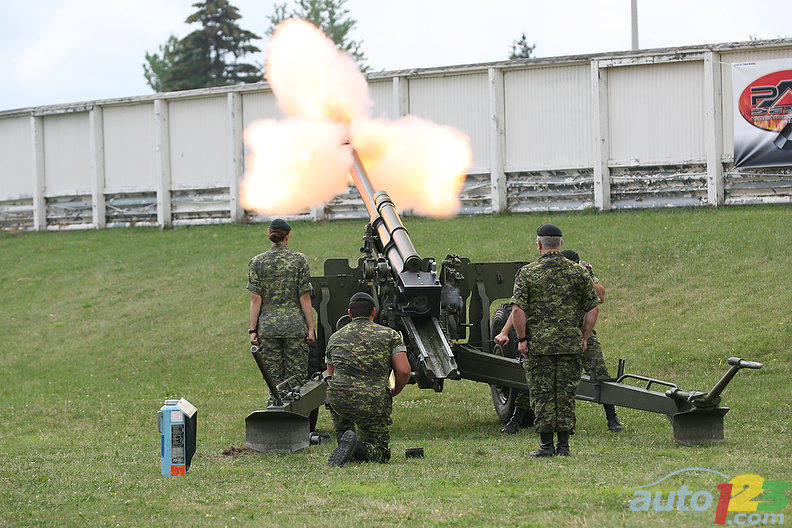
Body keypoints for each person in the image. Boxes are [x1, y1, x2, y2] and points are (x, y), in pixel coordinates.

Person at [510, 223, 599, 457]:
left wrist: (522, 339)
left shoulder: (527, 273)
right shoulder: (579, 272)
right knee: (566, 393)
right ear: (561, 244)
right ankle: (564, 446)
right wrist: (584, 336)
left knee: (542, 393)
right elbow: (592, 309)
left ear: (539, 244)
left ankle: (546, 445)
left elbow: (518, 311)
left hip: (539, 346)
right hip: (570, 344)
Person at [325, 292, 411, 467]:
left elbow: (331, 374)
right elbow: (403, 371)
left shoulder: (335, 337)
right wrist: (394, 391)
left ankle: (344, 440)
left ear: (349, 314)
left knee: (344, 426)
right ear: (373, 312)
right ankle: (356, 447)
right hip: (372, 399)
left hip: (338, 398)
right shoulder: (390, 335)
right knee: (380, 452)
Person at [560, 249, 623, 432]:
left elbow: (600, 295)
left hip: (583, 332)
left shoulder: (584, 270)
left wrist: (583, 278)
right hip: (558, 334)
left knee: (600, 371)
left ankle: (612, 417)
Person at [247, 218, 315, 389]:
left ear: (269, 235)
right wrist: (310, 328)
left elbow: (256, 299)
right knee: (296, 380)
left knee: (274, 381)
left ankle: (274, 411)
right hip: (295, 327)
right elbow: (304, 297)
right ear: (288, 236)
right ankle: (296, 414)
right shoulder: (300, 260)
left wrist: (253, 330)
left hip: (267, 329)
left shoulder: (257, 262)